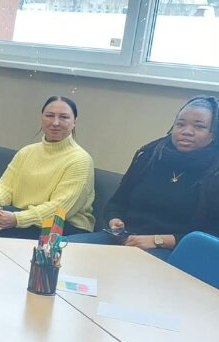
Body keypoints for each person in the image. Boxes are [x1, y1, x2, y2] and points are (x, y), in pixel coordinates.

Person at [72, 95, 219, 260]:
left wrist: (157, 240)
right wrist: (115, 221)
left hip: (174, 251)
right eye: (180, 124)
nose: (186, 131)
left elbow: (211, 234)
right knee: (60, 250)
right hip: (124, 239)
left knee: (123, 268)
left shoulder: (214, 173)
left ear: (214, 133)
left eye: (199, 127)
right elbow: (117, 202)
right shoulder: (150, 156)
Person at [0, 96, 94, 239]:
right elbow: (5, 186)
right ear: (41, 118)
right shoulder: (27, 152)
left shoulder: (80, 160)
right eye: (49, 116)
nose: (55, 122)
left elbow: (60, 208)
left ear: (74, 122)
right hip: (23, 217)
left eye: (64, 117)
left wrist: (18, 219)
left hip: (64, 226)